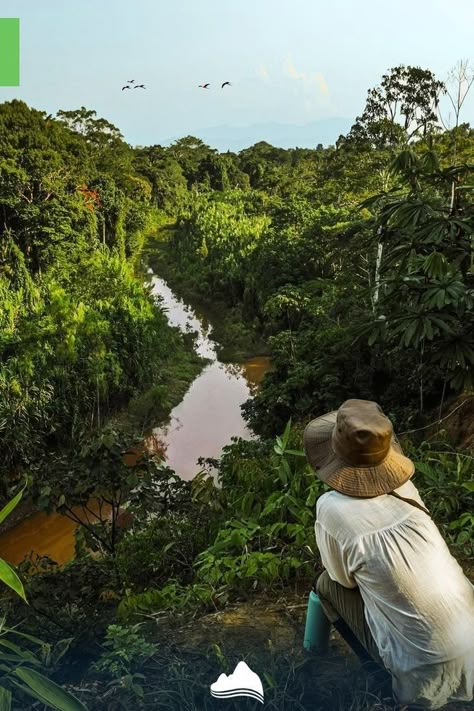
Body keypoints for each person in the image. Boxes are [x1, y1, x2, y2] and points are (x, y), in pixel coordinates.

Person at [304, 399, 474, 709]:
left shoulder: (331, 509)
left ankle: (382, 683)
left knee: (325, 585)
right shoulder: (406, 488)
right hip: (471, 645)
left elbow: (343, 580)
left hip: (423, 675)